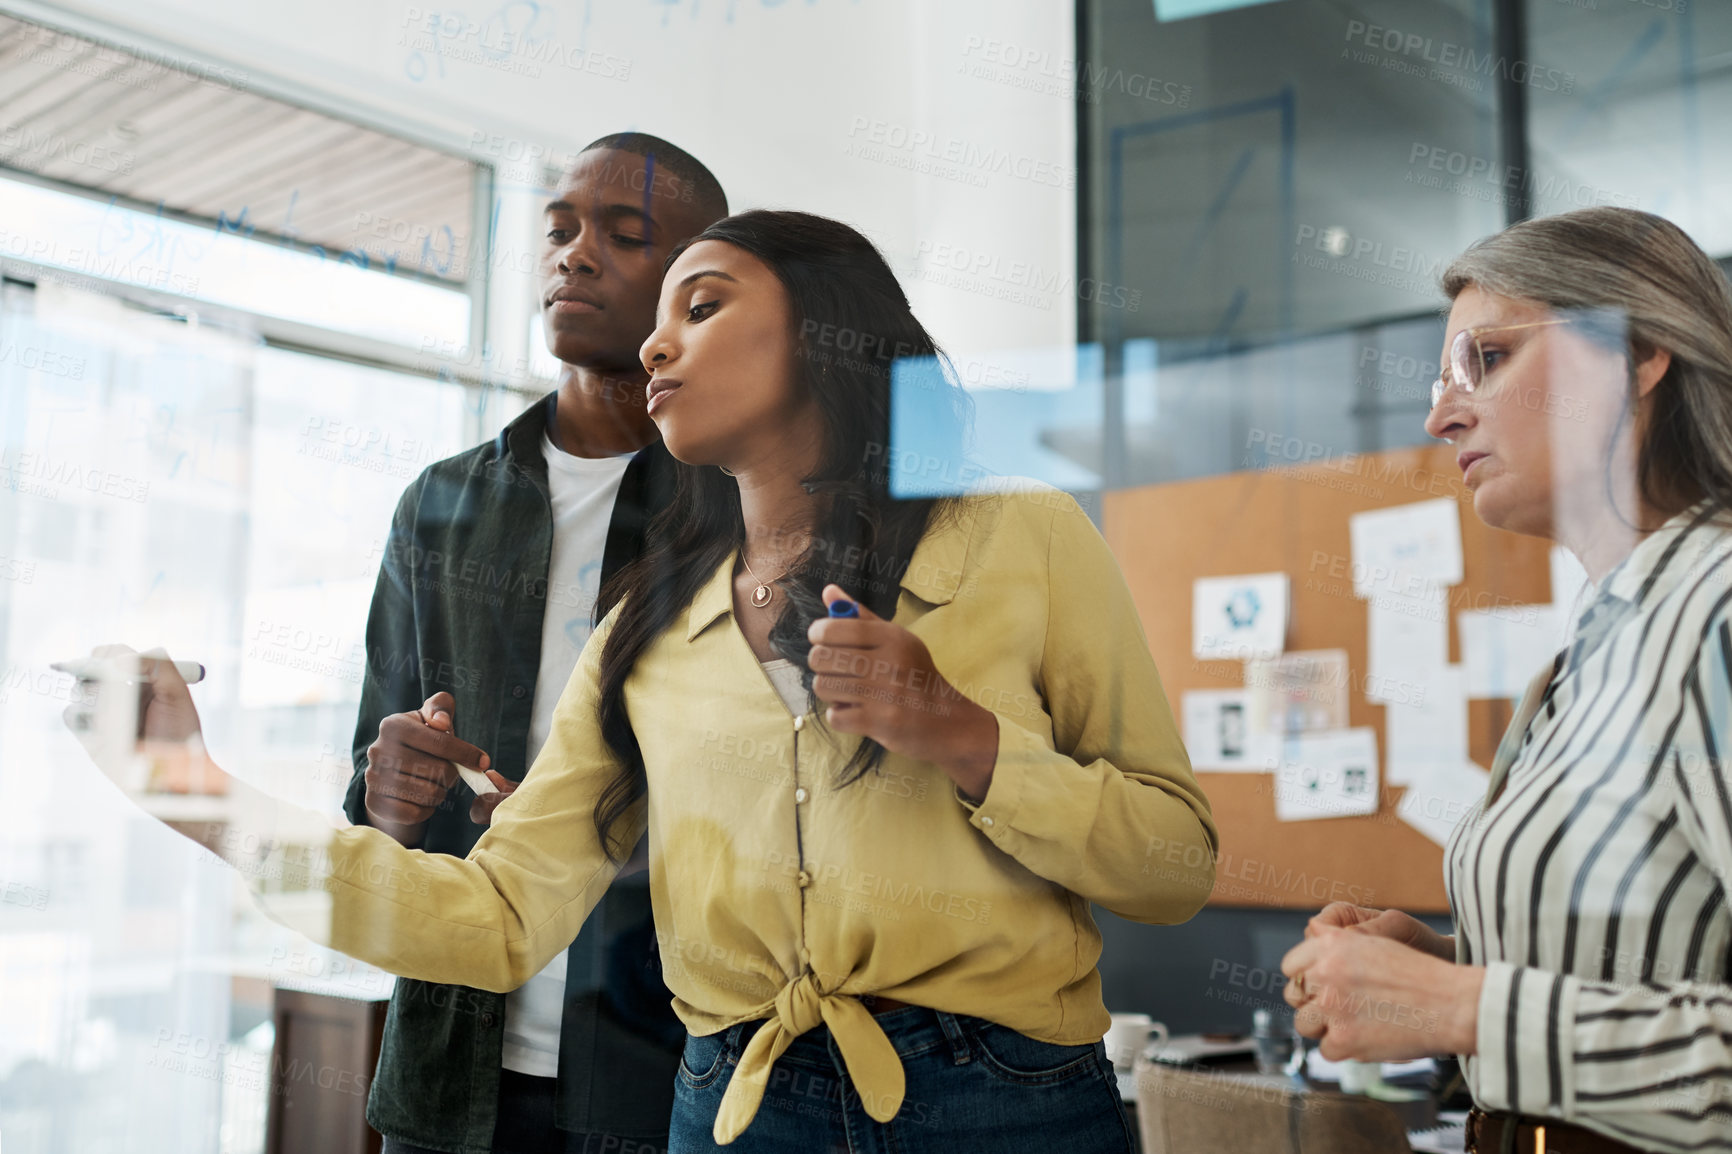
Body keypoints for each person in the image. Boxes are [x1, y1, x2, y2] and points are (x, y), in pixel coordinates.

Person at [69, 209, 1217, 1153]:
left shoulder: (1025, 535)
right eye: (658, 320)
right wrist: (195, 788)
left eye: (702, 305)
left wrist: (964, 737)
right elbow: (498, 915)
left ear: (826, 332)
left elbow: (1174, 864)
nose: (657, 348)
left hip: (1005, 1104)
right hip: (733, 1111)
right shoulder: (643, 628)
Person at [1280, 207, 1732, 1154]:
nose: (1440, 413)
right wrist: (1445, 966)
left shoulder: (1717, 611)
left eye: (1486, 359)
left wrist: (1463, 1003)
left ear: (1638, 352)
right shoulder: (1588, 652)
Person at [348, 132, 728, 1154]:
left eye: (624, 233)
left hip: (670, 1073)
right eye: (559, 229)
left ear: (700, 289)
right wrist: (390, 787)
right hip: (448, 1077)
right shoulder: (439, 504)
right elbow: (366, 792)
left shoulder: (741, 514)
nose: (576, 253)